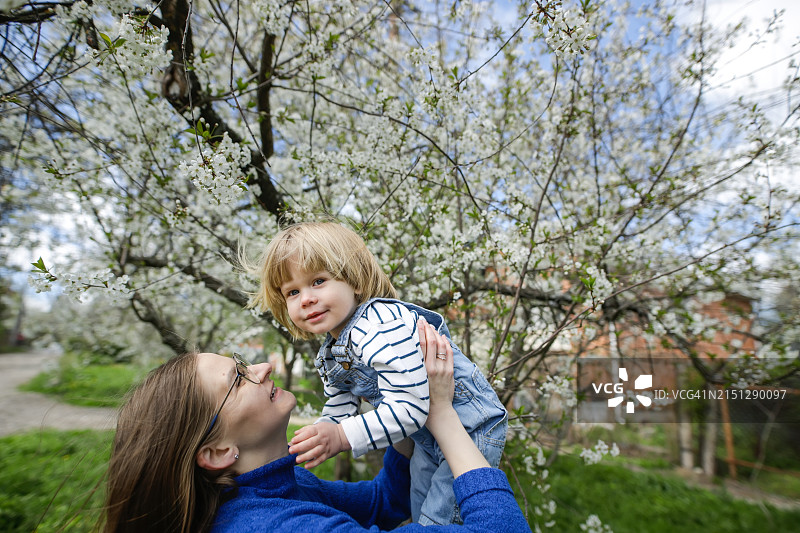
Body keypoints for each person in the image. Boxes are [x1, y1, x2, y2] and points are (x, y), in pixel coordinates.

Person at [102, 320, 531, 533]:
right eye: (237, 379)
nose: (264, 367)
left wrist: (401, 406)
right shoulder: (276, 527)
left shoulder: (272, 487)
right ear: (216, 453)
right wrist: (441, 417)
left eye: (240, 363)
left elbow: (385, 503)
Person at [248, 221, 508, 525]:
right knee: (418, 510)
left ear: (355, 281)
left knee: (438, 520)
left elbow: (410, 407)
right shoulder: (333, 348)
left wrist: (342, 436)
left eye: (318, 281)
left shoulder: (378, 326)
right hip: (426, 435)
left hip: (469, 426)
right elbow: (341, 401)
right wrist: (325, 430)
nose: (306, 298)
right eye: (293, 291)